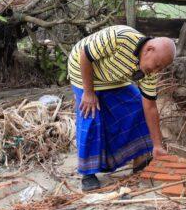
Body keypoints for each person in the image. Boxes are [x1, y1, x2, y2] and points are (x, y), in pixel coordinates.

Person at [67, 25, 176, 191]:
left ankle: (140, 159)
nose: (156, 70)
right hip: (82, 69)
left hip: (112, 77)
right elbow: (84, 55)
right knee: (91, 115)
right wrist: (88, 93)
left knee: (136, 106)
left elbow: (150, 107)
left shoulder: (149, 71)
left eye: (160, 68)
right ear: (149, 49)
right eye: (157, 65)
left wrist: (157, 145)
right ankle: (88, 173)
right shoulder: (120, 37)